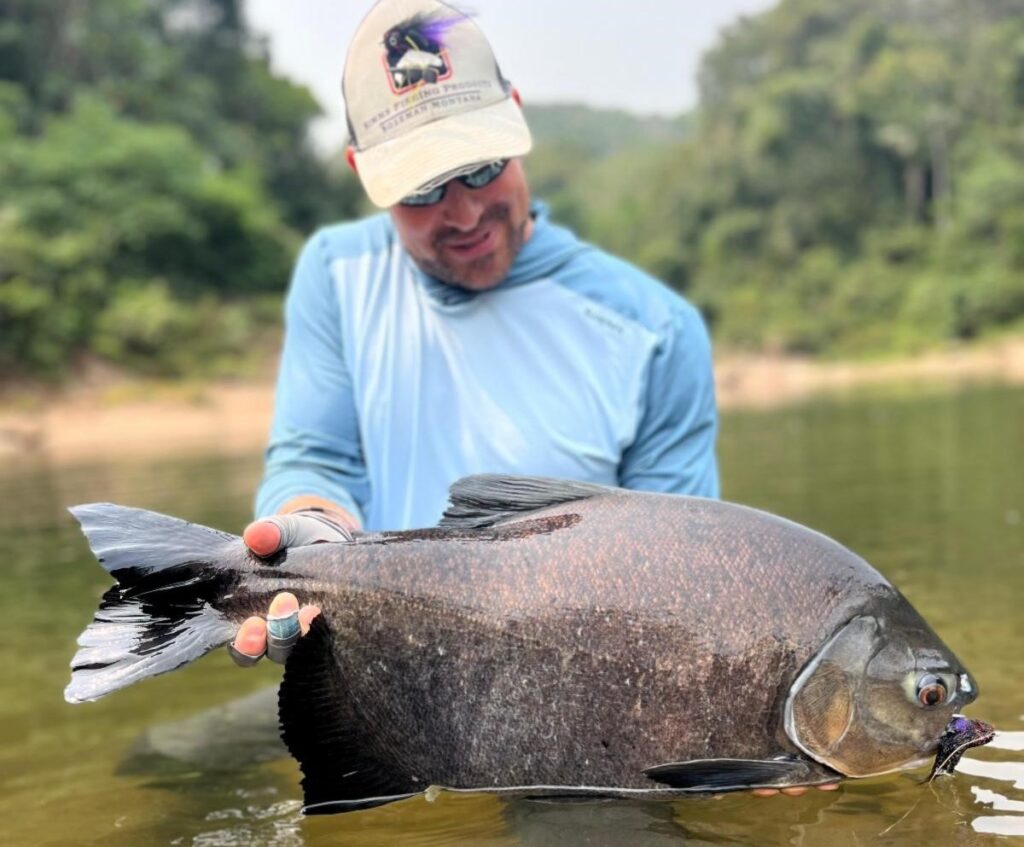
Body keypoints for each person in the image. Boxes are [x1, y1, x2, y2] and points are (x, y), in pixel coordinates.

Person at [228, 0, 837, 798]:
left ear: (516, 120)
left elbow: (693, 582)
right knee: (155, 765)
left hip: (584, 705)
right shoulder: (336, 278)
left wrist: (749, 730)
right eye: (421, 189)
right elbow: (316, 457)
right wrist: (303, 535)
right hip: (381, 673)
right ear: (361, 174)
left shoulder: (655, 331)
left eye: (482, 167)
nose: (466, 211)